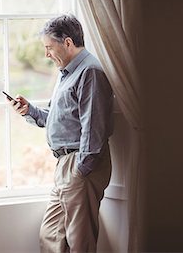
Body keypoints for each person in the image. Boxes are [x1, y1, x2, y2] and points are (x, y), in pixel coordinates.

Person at [8, 14, 114, 253]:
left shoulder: (89, 73)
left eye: (49, 47)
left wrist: (81, 169)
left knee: (80, 242)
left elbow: (93, 128)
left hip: (80, 164)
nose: (46, 54)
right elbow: (60, 119)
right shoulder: (67, 73)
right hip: (67, 165)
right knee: (51, 235)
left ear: (67, 42)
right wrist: (30, 111)